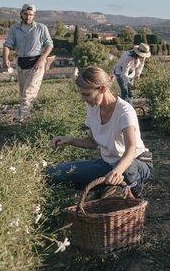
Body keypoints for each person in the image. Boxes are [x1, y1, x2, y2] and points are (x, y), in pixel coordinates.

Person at [47, 66, 152, 197]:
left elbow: (131, 149)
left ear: (102, 89)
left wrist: (118, 171)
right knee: (53, 173)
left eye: (86, 94)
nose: (83, 99)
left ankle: (133, 193)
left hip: (136, 163)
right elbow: (93, 142)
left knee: (127, 171)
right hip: (108, 165)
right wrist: (70, 140)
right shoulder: (93, 109)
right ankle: (109, 186)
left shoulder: (125, 112)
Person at [2, 3, 53, 123]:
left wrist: (42, 59)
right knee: (25, 95)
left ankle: (18, 120)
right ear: (21, 13)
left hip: (37, 64)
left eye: (31, 14)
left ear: (34, 15)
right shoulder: (14, 29)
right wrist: (5, 58)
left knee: (28, 93)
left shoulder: (41, 28)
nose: (28, 17)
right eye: (26, 14)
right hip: (21, 64)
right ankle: (36, 119)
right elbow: (7, 45)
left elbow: (49, 45)